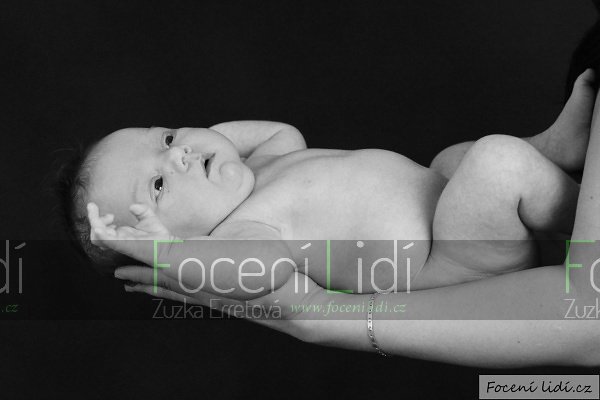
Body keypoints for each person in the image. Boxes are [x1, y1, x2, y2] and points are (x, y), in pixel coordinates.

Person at [83, 68, 594, 300]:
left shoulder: (265, 166)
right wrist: (168, 253)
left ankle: (554, 150)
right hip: (453, 263)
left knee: (454, 159)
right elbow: (261, 273)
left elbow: (284, 133)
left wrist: (207, 143)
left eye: (167, 137)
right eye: (157, 185)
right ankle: (590, 212)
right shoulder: (244, 232)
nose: (178, 155)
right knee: (495, 163)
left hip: (445, 204)